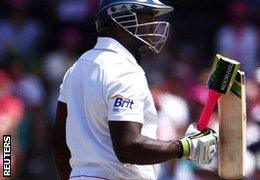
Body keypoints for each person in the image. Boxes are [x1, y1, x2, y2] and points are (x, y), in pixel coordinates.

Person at [52, 0, 218, 179]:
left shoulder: (77, 68)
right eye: (146, 18)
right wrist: (184, 147)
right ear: (119, 19)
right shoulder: (125, 70)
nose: (152, 28)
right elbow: (128, 146)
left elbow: (59, 143)